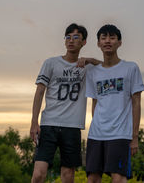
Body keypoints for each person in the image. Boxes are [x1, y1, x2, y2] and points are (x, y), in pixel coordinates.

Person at [30, 23, 100, 183]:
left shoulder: (87, 68)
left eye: (76, 37)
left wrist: (90, 59)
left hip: (72, 126)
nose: (71, 41)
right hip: (49, 124)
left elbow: (107, 66)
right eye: (68, 37)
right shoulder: (51, 63)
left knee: (68, 175)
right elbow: (39, 91)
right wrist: (34, 122)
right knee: (39, 173)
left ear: (84, 42)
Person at [86, 24, 144, 183]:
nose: (107, 41)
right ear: (98, 43)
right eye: (103, 38)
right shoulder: (93, 72)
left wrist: (134, 137)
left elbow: (136, 103)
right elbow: (94, 103)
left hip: (120, 134)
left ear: (119, 42)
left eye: (112, 38)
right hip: (96, 134)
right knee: (92, 179)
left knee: (118, 178)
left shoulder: (130, 68)